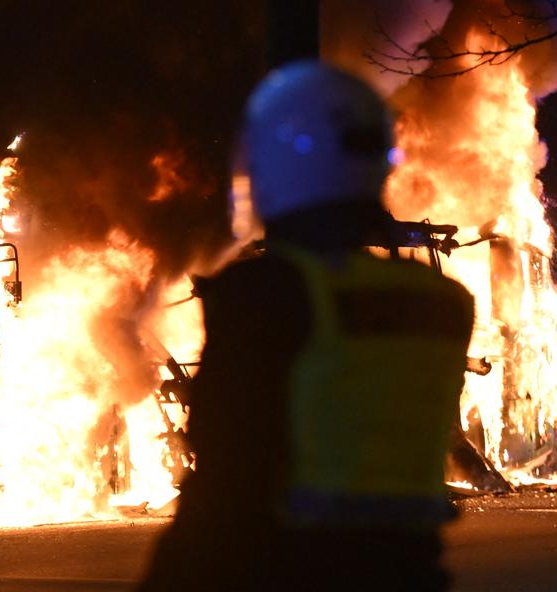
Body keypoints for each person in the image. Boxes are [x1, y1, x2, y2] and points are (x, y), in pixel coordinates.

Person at [138, 62, 473, 590]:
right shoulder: (443, 302)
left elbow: (226, 466)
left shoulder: (267, 294)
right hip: (410, 572)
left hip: (290, 567)